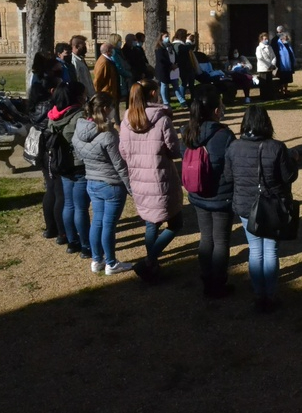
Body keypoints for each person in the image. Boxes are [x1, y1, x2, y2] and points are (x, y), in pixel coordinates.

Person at [225, 105, 299, 312]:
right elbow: (288, 177)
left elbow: (228, 177)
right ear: (266, 123)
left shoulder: (233, 147)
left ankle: (259, 294)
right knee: (270, 250)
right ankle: (271, 294)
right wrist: (294, 161)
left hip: (245, 206)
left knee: (255, 249)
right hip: (272, 206)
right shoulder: (276, 147)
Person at [119, 80, 183, 283]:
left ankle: (151, 264)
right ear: (154, 93)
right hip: (160, 178)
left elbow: (123, 152)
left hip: (139, 179)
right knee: (176, 223)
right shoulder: (162, 120)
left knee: (151, 222)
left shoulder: (126, 120)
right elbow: (174, 150)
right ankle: (149, 260)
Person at [182, 85, 236, 298]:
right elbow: (231, 166)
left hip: (198, 193)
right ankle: (219, 283)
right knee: (221, 240)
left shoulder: (187, 132)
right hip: (221, 196)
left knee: (206, 237)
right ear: (216, 111)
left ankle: (206, 278)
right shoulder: (224, 135)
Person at [73, 92, 134, 275]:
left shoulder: (79, 130)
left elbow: (79, 154)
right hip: (112, 184)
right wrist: (131, 188)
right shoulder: (108, 134)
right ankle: (111, 263)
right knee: (108, 225)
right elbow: (120, 165)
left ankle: (97, 259)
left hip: (92, 181)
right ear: (106, 108)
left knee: (97, 222)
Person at [48, 82, 91, 258]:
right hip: (78, 164)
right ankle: (86, 245)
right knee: (80, 207)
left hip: (62, 164)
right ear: (77, 96)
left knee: (68, 204)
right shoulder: (79, 116)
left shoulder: (53, 115)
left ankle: (72, 241)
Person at [28, 60, 65, 243]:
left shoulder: (36, 105)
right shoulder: (51, 106)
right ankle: (60, 230)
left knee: (50, 188)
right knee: (58, 191)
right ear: (51, 90)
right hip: (52, 150)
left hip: (43, 150)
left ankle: (51, 228)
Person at [154, 31, 184, 108]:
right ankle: (165, 102)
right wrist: (170, 65)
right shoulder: (159, 48)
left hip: (173, 69)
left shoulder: (170, 46)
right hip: (164, 70)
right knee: (164, 85)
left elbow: (175, 55)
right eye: (165, 36)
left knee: (175, 84)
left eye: (168, 36)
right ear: (161, 37)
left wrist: (175, 64)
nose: (167, 38)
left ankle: (181, 100)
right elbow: (161, 59)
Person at [93, 42, 120, 116]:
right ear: (108, 51)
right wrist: (98, 93)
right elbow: (97, 80)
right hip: (106, 92)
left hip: (110, 92)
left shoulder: (108, 60)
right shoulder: (104, 62)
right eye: (112, 49)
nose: (113, 51)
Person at [172, 29, 196, 100]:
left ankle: (191, 98)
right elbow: (187, 48)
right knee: (183, 83)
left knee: (188, 83)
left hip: (185, 67)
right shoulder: (178, 45)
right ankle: (182, 99)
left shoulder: (178, 44)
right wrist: (188, 41)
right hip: (183, 67)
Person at [108, 33, 132, 102]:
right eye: (119, 41)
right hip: (120, 78)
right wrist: (128, 74)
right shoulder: (114, 52)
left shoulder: (119, 51)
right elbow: (118, 66)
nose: (120, 42)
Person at [255, 31, 277, 100]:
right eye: (265, 39)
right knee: (263, 84)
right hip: (263, 68)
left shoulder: (270, 47)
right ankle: (264, 97)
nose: (266, 40)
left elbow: (274, 56)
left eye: (267, 38)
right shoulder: (259, 48)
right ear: (261, 40)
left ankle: (270, 96)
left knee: (269, 83)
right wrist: (269, 65)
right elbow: (260, 58)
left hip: (270, 68)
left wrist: (273, 64)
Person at [276, 32, 296, 97]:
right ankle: (281, 91)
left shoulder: (287, 44)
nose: (287, 38)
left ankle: (286, 90)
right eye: (286, 37)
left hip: (288, 64)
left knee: (287, 79)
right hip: (282, 65)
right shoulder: (278, 44)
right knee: (282, 79)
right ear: (282, 38)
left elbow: (291, 53)